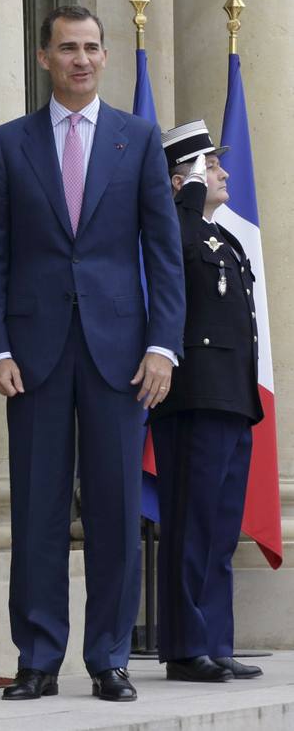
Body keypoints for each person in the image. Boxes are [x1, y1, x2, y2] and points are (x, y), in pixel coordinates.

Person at [0, 5, 184, 702]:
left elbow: (163, 251)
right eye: (67, 48)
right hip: (31, 355)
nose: (82, 59)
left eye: (92, 47)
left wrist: (162, 346)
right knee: (35, 507)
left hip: (120, 355)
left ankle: (108, 657)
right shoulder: (8, 143)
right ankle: (36, 656)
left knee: (116, 511)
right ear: (43, 58)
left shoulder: (137, 138)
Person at [152, 120, 263, 683]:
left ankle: (215, 640)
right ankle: (184, 645)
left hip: (230, 396)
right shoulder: (172, 227)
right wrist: (184, 197)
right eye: (210, 165)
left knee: (220, 530)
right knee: (191, 524)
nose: (223, 172)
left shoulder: (226, 237)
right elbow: (164, 266)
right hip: (193, 395)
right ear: (181, 179)